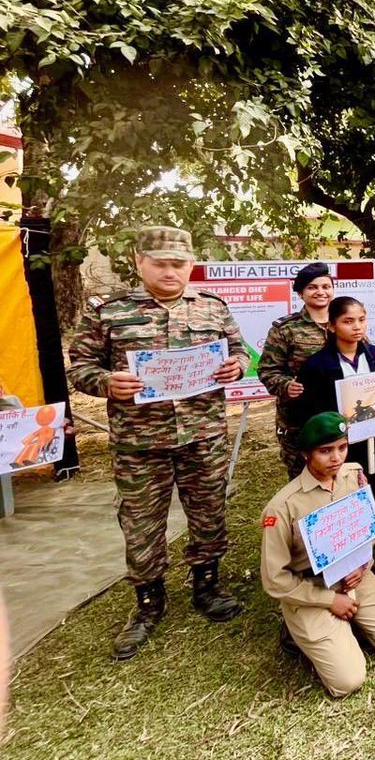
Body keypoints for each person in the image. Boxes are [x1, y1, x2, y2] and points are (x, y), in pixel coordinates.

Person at [67, 226, 248, 660]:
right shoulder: (110, 312)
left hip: (202, 436)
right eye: (161, 263)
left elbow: (241, 352)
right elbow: (79, 367)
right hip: (140, 442)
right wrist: (109, 382)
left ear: (191, 265)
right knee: (141, 522)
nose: (171, 272)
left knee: (208, 511)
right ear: (139, 262)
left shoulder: (212, 309)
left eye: (179, 264)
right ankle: (148, 603)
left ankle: (207, 585)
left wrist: (235, 368)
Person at [260, 412, 375, 697]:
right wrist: (329, 600)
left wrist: (364, 566)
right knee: (349, 681)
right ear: (306, 454)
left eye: (342, 447)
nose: (336, 458)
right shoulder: (283, 507)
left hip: (354, 575)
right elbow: (274, 580)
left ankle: (344, 627)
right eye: (325, 451)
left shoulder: (353, 476)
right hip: (313, 588)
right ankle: (297, 631)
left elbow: (367, 528)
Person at [295, 296, 375, 486]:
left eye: (361, 319)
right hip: (339, 442)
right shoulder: (317, 365)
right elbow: (308, 410)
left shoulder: (374, 355)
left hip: (372, 438)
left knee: (372, 482)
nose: (357, 326)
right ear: (332, 326)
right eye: (348, 321)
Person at [258, 262, 335, 478]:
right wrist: (285, 385)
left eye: (325, 286)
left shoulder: (344, 321)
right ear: (301, 293)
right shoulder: (286, 328)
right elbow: (267, 370)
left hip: (338, 413)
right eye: (312, 287)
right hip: (299, 418)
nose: (320, 292)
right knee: (303, 476)